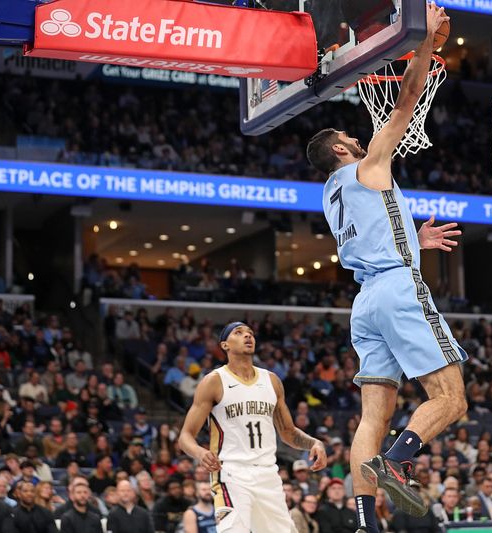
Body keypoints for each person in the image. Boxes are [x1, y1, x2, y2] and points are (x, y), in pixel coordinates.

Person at [308, 5, 468, 530]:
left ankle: (365, 521)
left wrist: (412, 239)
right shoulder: (367, 164)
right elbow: (404, 103)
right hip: (398, 291)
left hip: (365, 303)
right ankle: (398, 463)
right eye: (349, 138)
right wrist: (423, 45)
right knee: (451, 399)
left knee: (372, 417)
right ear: (339, 148)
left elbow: (375, 234)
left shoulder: (331, 195)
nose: (359, 138)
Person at [179, 322, 327, 533]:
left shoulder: (272, 381)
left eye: (250, 333)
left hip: (268, 474)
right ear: (224, 345)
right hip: (231, 472)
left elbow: (288, 432)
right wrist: (200, 452)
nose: (247, 336)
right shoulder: (214, 381)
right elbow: (185, 436)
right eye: (238, 333)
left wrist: (314, 442)